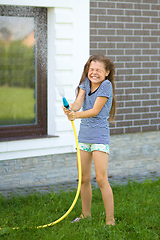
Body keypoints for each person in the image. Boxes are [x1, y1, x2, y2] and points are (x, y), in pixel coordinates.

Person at [63, 54, 116, 226]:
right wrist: (70, 108)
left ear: (106, 73)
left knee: (101, 179)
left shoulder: (106, 86)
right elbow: (78, 104)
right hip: (84, 138)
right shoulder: (85, 83)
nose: (94, 73)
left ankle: (110, 220)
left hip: (99, 138)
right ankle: (86, 215)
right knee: (84, 179)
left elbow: (94, 110)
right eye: (91, 69)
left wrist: (75, 115)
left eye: (98, 70)